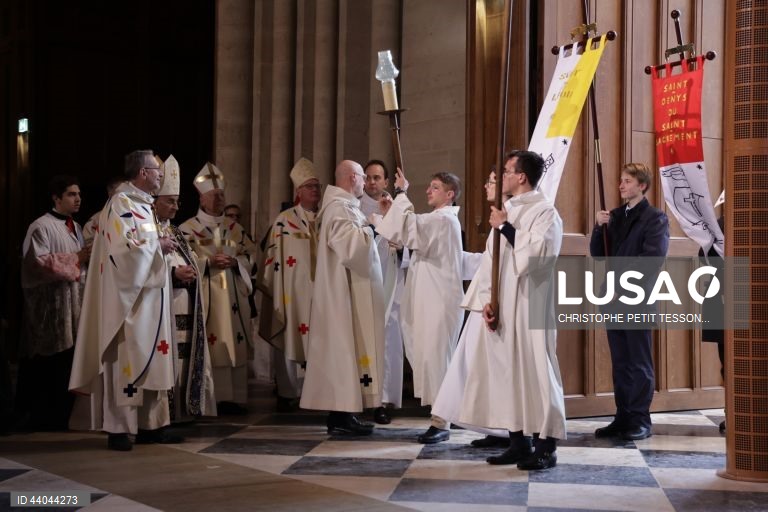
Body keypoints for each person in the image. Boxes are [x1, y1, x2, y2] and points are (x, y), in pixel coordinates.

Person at [458, 150, 566, 470]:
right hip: (504, 304)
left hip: (532, 304)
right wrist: (487, 302)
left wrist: (506, 228)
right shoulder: (503, 212)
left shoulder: (545, 212)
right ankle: (519, 441)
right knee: (507, 371)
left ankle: (547, 445)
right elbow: (492, 263)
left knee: (538, 372)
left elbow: (539, 257)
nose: (501, 176)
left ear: (521, 177)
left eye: (506, 171)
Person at [70, 149, 182, 451]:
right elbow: (121, 252)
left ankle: (151, 425)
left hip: (150, 299)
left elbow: (143, 244)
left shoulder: (144, 206)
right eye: (156, 170)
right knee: (126, 364)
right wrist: (157, 244)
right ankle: (118, 429)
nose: (160, 175)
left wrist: (162, 246)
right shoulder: (121, 205)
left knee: (153, 361)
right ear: (142, 173)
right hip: (128, 303)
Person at [374, 169, 464, 444]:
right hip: (429, 298)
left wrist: (402, 194)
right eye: (429, 186)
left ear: (449, 195)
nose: (428, 191)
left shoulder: (445, 220)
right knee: (428, 357)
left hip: (439, 300)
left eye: (435, 188)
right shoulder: (437, 220)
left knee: (436, 359)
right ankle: (442, 416)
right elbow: (407, 232)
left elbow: (412, 229)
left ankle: (442, 421)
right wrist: (394, 209)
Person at [299, 160, 385, 435]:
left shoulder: (345, 208)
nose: (365, 183)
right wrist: (373, 227)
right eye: (362, 177)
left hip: (349, 292)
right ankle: (341, 414)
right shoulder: (339, 209)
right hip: (341, 297)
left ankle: (343, 414)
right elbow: (351, 249)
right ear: (351, 178)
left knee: (346, 353)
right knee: (343, 351)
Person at [430, 169, 511, 448]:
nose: (485, 185)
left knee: (485, 366)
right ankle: (493, 426)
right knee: (476, 366)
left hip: (493, 303)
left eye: (491, 181)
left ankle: (502, 429)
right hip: (483, 300)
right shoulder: (499, 216)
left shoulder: (509, 216)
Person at [590, 162, 670, 441]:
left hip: (637, 299)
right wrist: (599, 229)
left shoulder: (655, 218)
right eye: (621, 180)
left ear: (642, 185)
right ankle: (622, 417)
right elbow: (599, 255)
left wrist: (620, 281)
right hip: (613, 299)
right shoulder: (614, 216)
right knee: (621, 361)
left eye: (627, 181)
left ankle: (640, 419)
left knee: (638, 362)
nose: (621, 185)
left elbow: (651, 260)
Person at [179, 163, 258, 415]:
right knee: (214, 344)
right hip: (207, 297)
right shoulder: (187, 229)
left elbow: (254, 256)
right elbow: (179, 263)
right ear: (201, 197)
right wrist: (207, 262)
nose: (219, 199)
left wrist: (237, 262)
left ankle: (234, 399)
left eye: (222, 194)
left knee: (234, 344)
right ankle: (211, 399)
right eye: (214, 195)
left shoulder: (236, 229)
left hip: (234, 297)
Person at [17, 175, 90, 430]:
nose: (78, 198)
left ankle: (62, 417)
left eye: (78, 193)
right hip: (50, 309)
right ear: (56, 198)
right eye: (71, 194)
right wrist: (77, 258)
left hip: (73, 304)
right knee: (48, 365)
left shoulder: (76, 227)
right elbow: (37, 264)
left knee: (67, 364)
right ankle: (42, 419)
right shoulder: (41, 226)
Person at [154, 155, 216, 422]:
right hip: (162, 307)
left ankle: (182, 410)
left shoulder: (177, 233)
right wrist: (173, 274)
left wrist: (194, 270)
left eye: (177, 201)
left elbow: (190, 258)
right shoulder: (147, 229)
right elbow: (142, 267)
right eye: (170, 201)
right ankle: (164, 415)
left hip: (184, 305)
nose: (176, 207)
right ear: (154, 201)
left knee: (183, 360)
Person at [260, 157, 321, 412]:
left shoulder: (328, 217)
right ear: (298, 192)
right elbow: (272, 258)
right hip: (291, 293)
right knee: (289, 332)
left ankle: (318, 390)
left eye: (317, 186)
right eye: (309, 186)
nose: (315, 191)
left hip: (321, 293)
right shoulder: (284, 221)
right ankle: (288, 391)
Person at [360, 159, 405, 424]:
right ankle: (362, 397)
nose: (373, 182)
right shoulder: (355, 208)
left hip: (391, 282)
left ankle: (384, 400)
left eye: (378, 177)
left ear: (386, 181)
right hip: (365, 282)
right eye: (369, 177)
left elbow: (408, 239)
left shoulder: (397, 208)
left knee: (388, 342)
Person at [82, 176, 124, 246]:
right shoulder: (95, 221)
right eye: (121, 191)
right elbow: (89, 249)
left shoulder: (134, 217)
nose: (125, 195)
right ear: (110, 193)